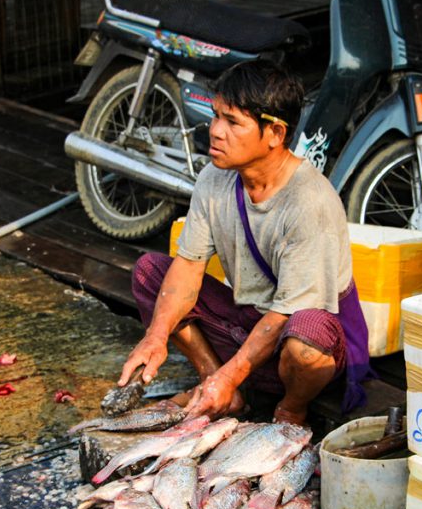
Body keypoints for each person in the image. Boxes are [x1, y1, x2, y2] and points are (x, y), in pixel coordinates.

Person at [117, 59, 372, 426]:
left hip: (304, 349)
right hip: (248, 326)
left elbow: (285, 314)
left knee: (306, 338)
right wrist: (156, 337)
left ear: (275, 134)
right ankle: (216, 384)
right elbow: (188, 268)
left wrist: (231, 373)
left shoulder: (309, 201)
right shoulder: (214, 179)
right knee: (149, 273)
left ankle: (291, 408)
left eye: (233, 122)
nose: (215, 131)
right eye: (216, 115)